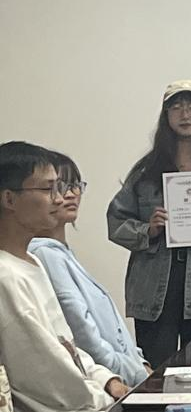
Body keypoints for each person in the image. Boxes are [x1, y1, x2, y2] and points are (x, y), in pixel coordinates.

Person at [106, 80, 191, 367]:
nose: (185, 114)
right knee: (157, 375)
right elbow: (116, 221)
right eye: (177, 107)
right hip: (153, 293)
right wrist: (148, 230)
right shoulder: (146, 172)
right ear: (166, 115)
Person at [0, 141, 127, 412]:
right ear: (9, 199)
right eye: (48, 189)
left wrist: (106, 379)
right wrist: (103, 396)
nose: (59, 199)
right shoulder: (6, 276)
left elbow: (67, 345)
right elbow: (49, 375)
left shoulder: (31, 261)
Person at [29, 151, 151, 386]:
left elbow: (112, 330)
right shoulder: (45, 254)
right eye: (58, 187)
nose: (70, 194)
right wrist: (136, 373)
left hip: (124, 375)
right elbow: (84, 334)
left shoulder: (61, 253)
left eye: (75, 185)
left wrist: (140, 364)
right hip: (110, 382)